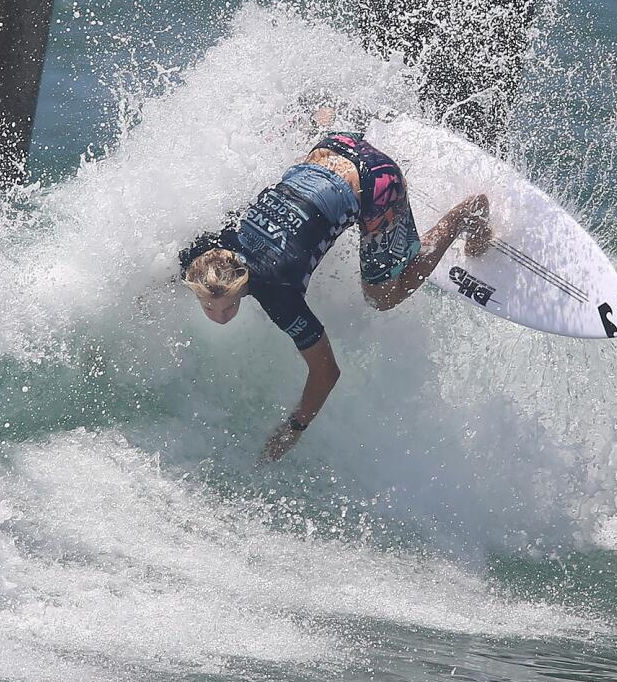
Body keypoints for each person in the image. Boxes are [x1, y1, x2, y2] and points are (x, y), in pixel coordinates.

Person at [179, 131, 491, 462]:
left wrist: (293, 428)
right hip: (334, 145)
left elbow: (326, 372)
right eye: (209, 307)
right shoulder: (205, 253)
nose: (221, 316)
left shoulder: (278, 294)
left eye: (226, 307)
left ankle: (465, 215)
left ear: (241, 286)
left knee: (382, 298)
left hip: (379, 183)